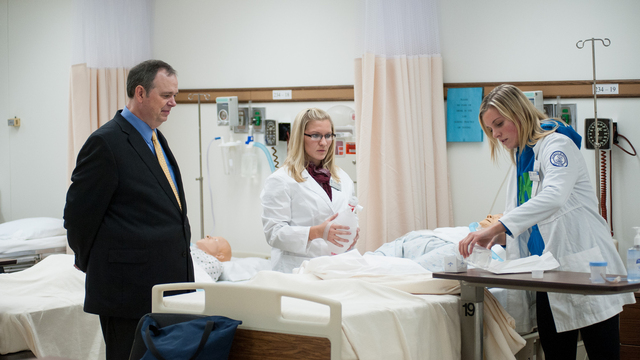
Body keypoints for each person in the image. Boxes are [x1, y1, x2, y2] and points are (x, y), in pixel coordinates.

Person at [457, 84, 634, 360]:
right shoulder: (522, 157)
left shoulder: (557, 144)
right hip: (546, 273)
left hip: (585, 269)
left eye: (500, 124)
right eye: (491, 130)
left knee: (603, 355)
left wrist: (498, 226)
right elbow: (532, 219)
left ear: (518, 112)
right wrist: (497, 236)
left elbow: (554, 197)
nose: (497, 134)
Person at [64, 60, 193, 360]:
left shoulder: (156, 139)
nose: (173, 103)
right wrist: (91, 262)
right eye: (166, 95)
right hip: (127, 292)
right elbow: (78, 217)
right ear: (140, 93)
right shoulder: (106, 142)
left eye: (175, 95)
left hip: (166, 287)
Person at [260, 108, 358, 273]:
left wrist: (351, 234)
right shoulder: (281, 180)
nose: (324, 142)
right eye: (315, 135)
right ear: (299, 137)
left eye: (328, 135)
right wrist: (316, 232)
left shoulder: (342, 177)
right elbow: (274, 234)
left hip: (337, 267)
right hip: (297, 270)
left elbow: (350, 213)